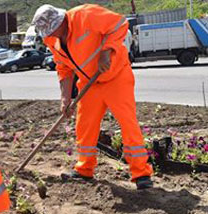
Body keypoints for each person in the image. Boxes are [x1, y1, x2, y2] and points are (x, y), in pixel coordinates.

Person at [31, 4, 154, 189]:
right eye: (48, 32)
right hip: (89, 84)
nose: (52, 35)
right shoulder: (52, 39)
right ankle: (84, 170)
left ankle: (141, 174)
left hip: (116, 77)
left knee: (128, 123)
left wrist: (106, 51)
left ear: (62, 20)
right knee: (84, 127)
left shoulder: (86, 15)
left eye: (54, 30)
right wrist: (65, 98)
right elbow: (63, 68)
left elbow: (120, 24)